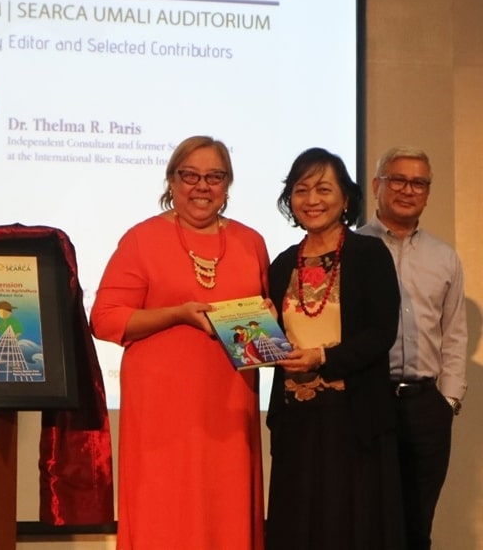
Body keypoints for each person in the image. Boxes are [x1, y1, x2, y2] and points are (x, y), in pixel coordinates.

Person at [90, 135, 268, 549]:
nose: (201, 186)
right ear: (171, 181)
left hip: (229, 406)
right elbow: (105, 318)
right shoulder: (142, 239)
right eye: (190, 175)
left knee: (226, 510)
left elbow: (257, 322)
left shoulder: (251, 242)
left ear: (228, 185)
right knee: (164, 512)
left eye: (214, 177)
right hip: (161, 411)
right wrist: (176, 314)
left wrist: (268, 320)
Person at [266, 147, 404, 549]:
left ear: (346, 198)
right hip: (297, 422)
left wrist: (323, 358)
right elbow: (274, 345)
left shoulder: (369, 254)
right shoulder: (281, 264)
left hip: (355, 420)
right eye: (301, 189)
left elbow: (382, 332)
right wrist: (258, 325)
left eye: (324, 189)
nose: (312, 200)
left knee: (350, 529)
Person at [357, 146, 467, 550]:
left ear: (427, 192)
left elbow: (454, 333)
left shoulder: (444, 257)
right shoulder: (353, 249)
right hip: (369, 401)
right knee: (367, 522)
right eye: (398, 179)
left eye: (418, 182)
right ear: (376, 186)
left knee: (417, 525)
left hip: (425, 406)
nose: (408, 190)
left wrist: (448, 400)